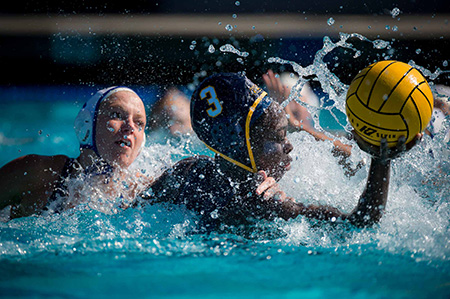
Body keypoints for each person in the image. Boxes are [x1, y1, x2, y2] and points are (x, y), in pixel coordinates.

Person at [140, 73, 421, 230]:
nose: (289, 145)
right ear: (244, 147)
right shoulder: (264, 200)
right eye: (279, 136)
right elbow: (360, 222)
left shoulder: (186, 170)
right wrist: (383, 161)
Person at [0, 86, 149, 219]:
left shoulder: (142, 191)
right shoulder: (39, 173)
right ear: (87, 124)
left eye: (139, 123)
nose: (130, 127)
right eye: (116, 115)